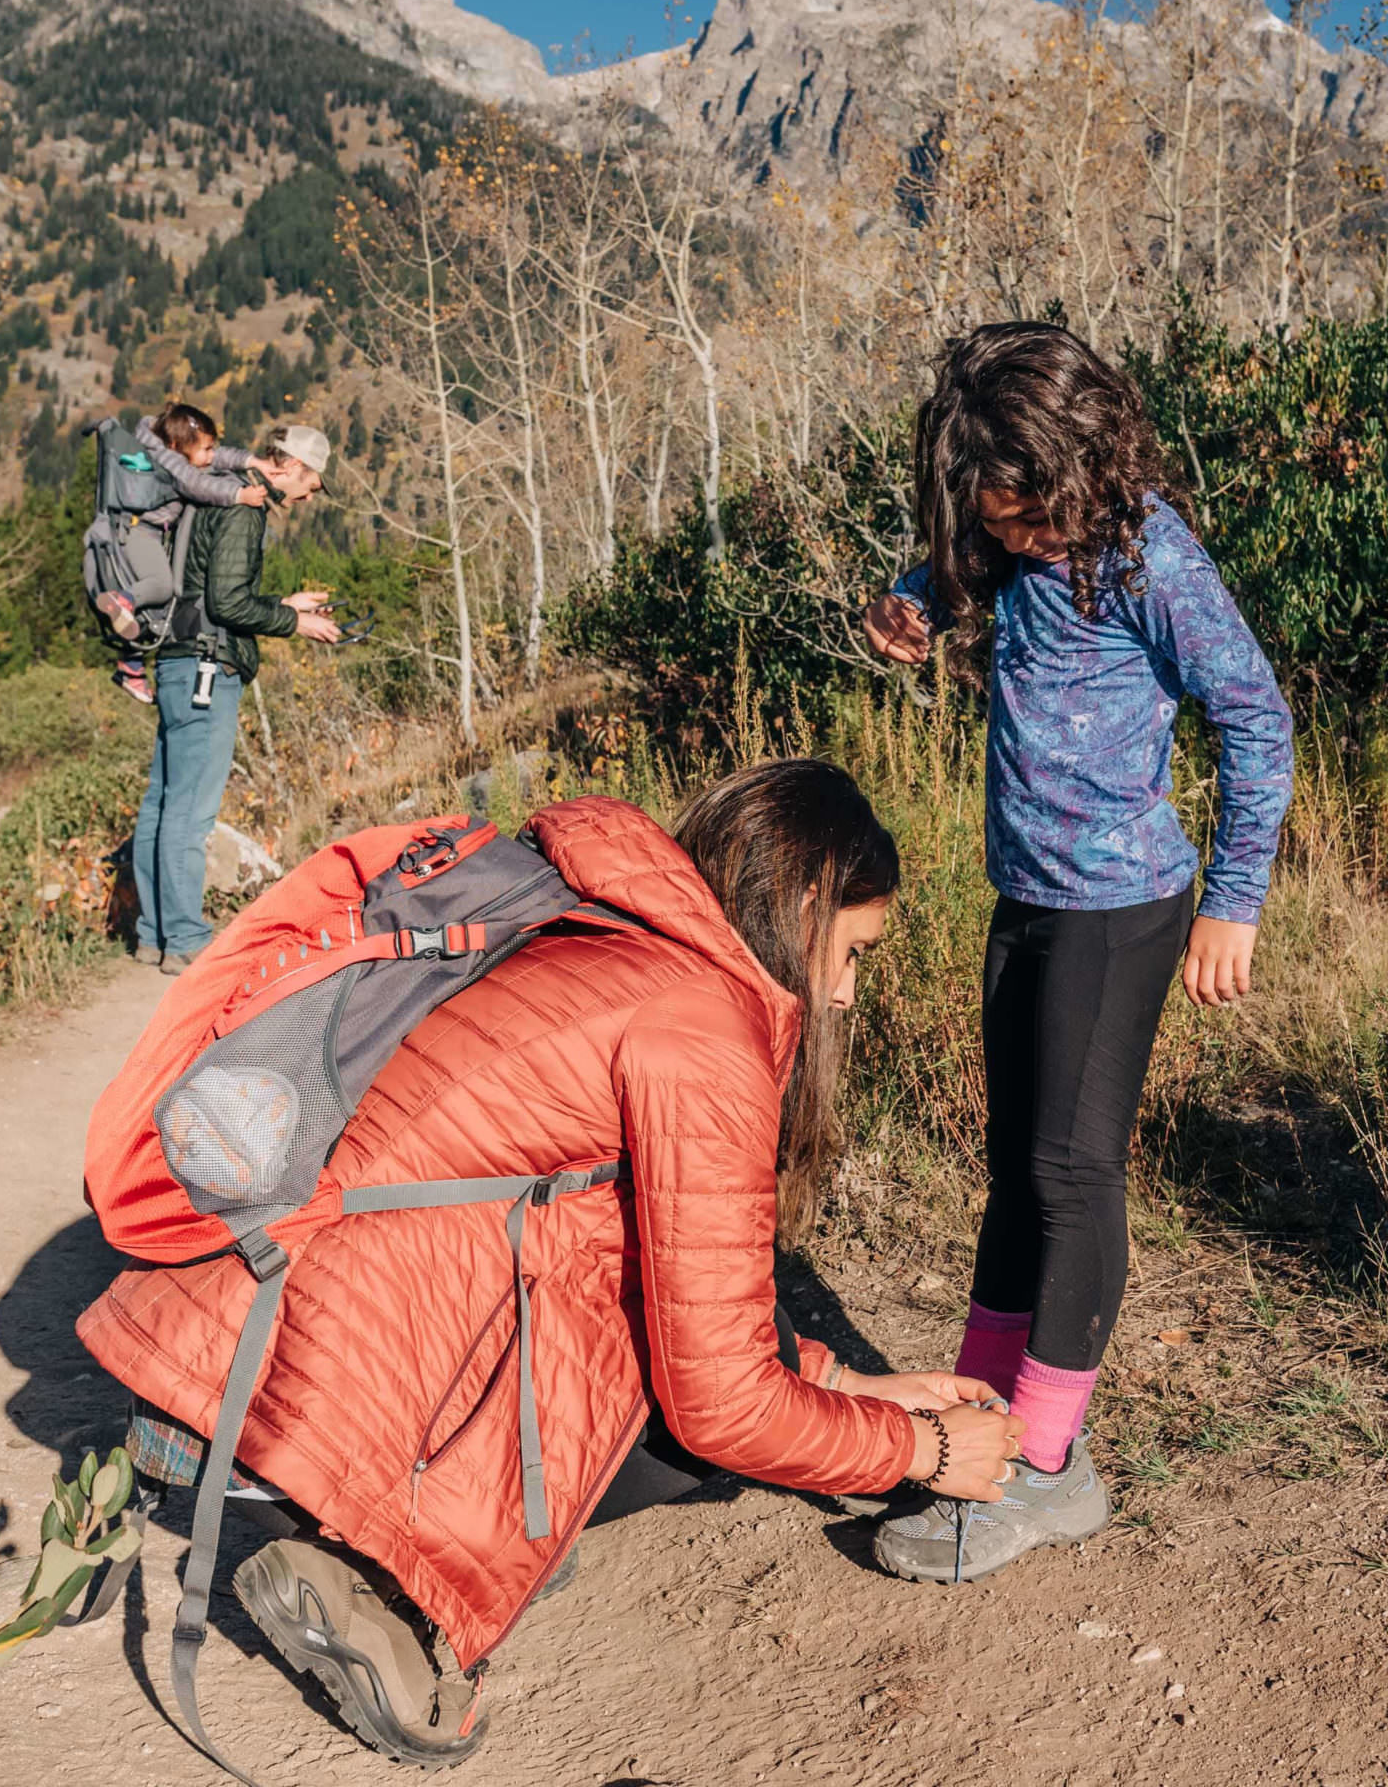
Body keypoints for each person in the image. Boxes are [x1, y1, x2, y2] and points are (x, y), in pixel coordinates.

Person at [77, 762, 1023, 1765]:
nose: (839, 992)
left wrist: (857, 1384)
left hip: (232, 1316)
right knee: (671, 1428)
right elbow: (716, 1398)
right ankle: (375, 1568)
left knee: (629, 1298)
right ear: (801, 904)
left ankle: (237, 1453)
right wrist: (918, 1452)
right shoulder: (699, 1029)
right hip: (312, 1368)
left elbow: (676, 1269)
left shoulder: (605, 935)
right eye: (852, 952)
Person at [860, 323, 1294, 1585]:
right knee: (1012, 1171)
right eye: (987, 520)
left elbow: (1256, 719)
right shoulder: (997, 543)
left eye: (1026, 517)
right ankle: (979, 1437)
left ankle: (1048, 1471)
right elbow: (952, 579)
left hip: (1125, 908)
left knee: (1069, 1170)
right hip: (1027, 897)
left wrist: (1234, 900)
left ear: (1081, 467)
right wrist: (912, 603)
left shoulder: (1149, 554)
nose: (1009, 539)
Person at [135, 422, 342, 975]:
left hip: (177, 659)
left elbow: (212, 589)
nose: (309, 497)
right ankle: (184, 939)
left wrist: (280, 601)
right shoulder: (245, 507)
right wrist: (292, 621)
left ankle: (154, 934)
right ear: (293, 466)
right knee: (190, 809)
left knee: (162, 800)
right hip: (208, 666)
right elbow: (227, 605)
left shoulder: (216, 488)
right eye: (313, 484)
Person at [94, 401, 272, 705]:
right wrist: (239, 495)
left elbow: (216, 459)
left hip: (141, 532)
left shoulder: (174, 451)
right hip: (139, 533)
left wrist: (253, 461)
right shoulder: (171, 462)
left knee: (156, 614)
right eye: (205, 449)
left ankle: (130, 666)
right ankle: (123, 600)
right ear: (177, 446)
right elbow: (196, 484)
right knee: (161, 586)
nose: (210, 455)